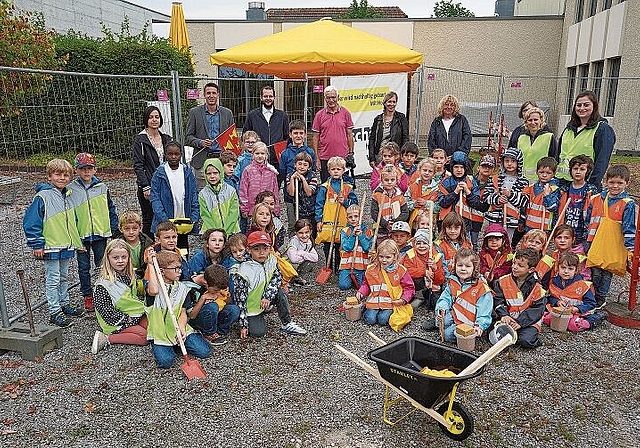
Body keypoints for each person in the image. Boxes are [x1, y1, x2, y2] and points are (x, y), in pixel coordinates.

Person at [23, 158, 84, 327]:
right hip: (51, 245)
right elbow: (31, 221)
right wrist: (37, 244)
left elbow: (72, 221)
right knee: (53, 278)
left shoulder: (68, 196)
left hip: (65, 244)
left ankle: (64, 304)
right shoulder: (43, 197)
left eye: (66, 175)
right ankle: (54, 311)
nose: (62, 178)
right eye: (58, 174)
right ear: (49, 177)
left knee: (64, 277)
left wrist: (77, 241)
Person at [230, 231, 308, 338]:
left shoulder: (272, 259)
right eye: (256, 249)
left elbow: (277, 278)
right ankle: (251, 318)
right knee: (258, 333)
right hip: (251, 308)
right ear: (249, 250)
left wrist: (267, 297)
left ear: (269, 249)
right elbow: (240, 300)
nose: (261, 253)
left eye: (265, 249)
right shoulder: (242, 271)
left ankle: (287, 323)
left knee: (280, 293)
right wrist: (243, 324)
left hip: (265, 299)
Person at [68, 152, 118, 312]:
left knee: (102, 264)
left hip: (100, 233)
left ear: (95, 169)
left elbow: (110, 207)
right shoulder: (70, 190)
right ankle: (87, 295)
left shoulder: (102, 187)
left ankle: (103, 291)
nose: (86, 172)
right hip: (81, 235)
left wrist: (113, 226)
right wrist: (73, 235)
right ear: (76, 170)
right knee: (83, 267)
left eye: (89, 168)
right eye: (82, 169)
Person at [145, 250, 211, 369]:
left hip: (179, 328)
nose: (180, 271)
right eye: (175, 268)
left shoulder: (182, 288)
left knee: (204, 352)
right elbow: (154, 291)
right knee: (166, 362)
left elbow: (183, 311)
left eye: (180, 267)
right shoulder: (153, 286)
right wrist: (150, 264)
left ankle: (177, 344)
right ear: (162, 271)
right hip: (161, 333)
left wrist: (181, 328)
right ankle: (166, 346)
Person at [585, 164, 636, 307]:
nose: (615, 186)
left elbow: (629, 228)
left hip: (614, 244)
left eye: (620, 183)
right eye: (612, 182)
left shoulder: (628, 204)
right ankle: (592, 295)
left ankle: (601, 297)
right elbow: (588, 219)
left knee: (607, 271)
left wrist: (631, 248)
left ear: (627, 183)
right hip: (595, 241)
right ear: (606, 181)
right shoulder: (597, 198)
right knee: (595, 269)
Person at [91, 239, 148, 354]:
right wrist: (127, 319)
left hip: (136, 314)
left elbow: (138, 297)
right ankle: (106, 338)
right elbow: (106, 312)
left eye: (124, 257)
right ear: (108, 259)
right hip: (118, 321)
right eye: (115, 258)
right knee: (144, 337)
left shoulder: (131, 275)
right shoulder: (103, 285)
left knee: (154, 329)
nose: (120, 261)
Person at [556, 90, 616, 190]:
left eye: (586, 105)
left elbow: (601, 161)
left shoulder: (602, 129)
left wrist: (591, 186)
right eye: (579, 105)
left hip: (583, 185)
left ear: (594, 106)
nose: (582, 108)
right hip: (561, 183)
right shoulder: (568, 128)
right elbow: (558, 155)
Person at [150, 141, 200, 253]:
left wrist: (194, 216)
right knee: (165, 248)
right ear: (165, 155)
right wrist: (163, 219)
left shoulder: (187, 172)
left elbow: (193, 195)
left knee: (182, 249)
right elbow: (155, 198)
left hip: (183, 220)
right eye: (170, 154)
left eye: (176, 154)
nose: (173, 157)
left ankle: (183, 268)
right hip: (166, 219)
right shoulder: (159, 173)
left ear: (181, 154)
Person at [435, 248, 493, 342]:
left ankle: (469, 334)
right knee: (439, 322)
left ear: (475, 268)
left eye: (467, 266)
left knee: (447, 336)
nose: (463, 269)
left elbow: (485, 311)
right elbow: (446, 297)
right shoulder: (453, 281)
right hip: (455, 314)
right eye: (460, 265)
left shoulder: (482, 288)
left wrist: (480, 325)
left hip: (470, 322)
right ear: (455, 266)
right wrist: (442, 308)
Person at [132, 105, 173, 237]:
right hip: (149, 186)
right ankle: (147, 251)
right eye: (150, 117)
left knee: (166, 218)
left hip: (165, 185)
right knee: (149, 220)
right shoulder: (140, 140)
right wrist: (145, 187)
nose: (154, 120)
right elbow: (138, 165)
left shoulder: (167, 139)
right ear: (146, 120)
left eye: (156, 117)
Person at [185, 82, 235, 189]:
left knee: (222, 192)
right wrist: (200, 142)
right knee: (203, 193)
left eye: (214, 93)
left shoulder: (227, 113)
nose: (211, 96)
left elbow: (232, 138)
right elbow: (188, 137)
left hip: (222, 160)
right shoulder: (195, 113)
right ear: (204, 95)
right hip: (202, 161)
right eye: (208, 93)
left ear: (218, 95)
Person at [493, 248, 545, 349]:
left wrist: (520, 323)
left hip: (528, 322)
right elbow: (498, 299)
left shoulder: (538, 288)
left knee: (525, 340)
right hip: (507, 319)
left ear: (531, 269)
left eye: (520, 266)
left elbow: (537, 310)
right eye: (514, 263)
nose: (514, 267)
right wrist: (504, 315)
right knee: (493, 335)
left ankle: (538, 341)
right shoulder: (502, 281)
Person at [355, 239, 415, 327]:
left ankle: (381, 314)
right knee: (370, 320)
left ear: (395, 256)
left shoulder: (401, 270)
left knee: (382, 320)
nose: (384, 260)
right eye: (381, 256)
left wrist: (403, 300)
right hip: (374, 301)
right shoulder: (371, 269)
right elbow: (366, 284)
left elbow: (409, 287)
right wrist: (361, 292)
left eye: (388, 257)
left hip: (390, 303)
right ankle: (367, 310)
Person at [542, 252, 603, 332]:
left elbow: (591, 303)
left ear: (576, 270)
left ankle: (594, 320)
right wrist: (557, 302)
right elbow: (551, 297)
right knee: (547, 319)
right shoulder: (554, 281)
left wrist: (577, 309)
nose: (566, 271)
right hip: (561, 311)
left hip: (577, 313)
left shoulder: (582, 285)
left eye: (570, 269)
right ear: (558, 267)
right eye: (563, 268)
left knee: (574, 326)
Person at [315, 156, 358, 269]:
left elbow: (355, 204)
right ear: (329, 171)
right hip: (328, 221)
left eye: (338, 169)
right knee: (328, 245)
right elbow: (319, 204)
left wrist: (346, 201)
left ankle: (339, 268)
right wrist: (318, 220)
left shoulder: (347, 187)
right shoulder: (324, 187)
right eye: (333, 169)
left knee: (341, 245)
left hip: (342, 221)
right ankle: (328, 266)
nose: (335, 171)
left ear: (343, 170)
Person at [547, 155, 598, 249]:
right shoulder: (564, 189)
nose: (578, 172)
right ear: (571, 170)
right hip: (565, 231)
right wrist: (547, 196)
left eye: (582, 169)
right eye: (575, 168)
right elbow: (552, 207)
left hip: (582, 231)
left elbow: (595, 213)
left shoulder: (591, 190)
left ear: (587, 171)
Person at [243, 85, 290, 182]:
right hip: (257, 160)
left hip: (276, 160)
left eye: (270, 96)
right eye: (265, 96)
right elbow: (245, 135)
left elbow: (287, 138)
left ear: (274, 97)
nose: (268, 99)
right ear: (261, 97)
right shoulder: (252, 115)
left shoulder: (283, 116)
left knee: (274, 188)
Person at [185, 264, 240, 345]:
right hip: (196, 319)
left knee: (234, 309)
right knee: (212, 306)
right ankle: (209, 334)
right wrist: (203, 299)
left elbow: (228, 302)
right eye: (215, 290)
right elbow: (191, 316)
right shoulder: (188, 288)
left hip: (213, 316)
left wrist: (226, 297)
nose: (217, 292)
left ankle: (219, 331)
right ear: (205, 283)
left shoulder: (215, 281)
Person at [483, 147, 529, 241]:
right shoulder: (495, 178)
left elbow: (524, 201)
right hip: (495, 217)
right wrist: (497, 199)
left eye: (513, 161)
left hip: (512, 219)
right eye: (506, 160)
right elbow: (486, 196)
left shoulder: (523, 181)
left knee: (508, 241)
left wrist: (510, 195)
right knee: (494, 240)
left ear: (518, 163)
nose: (509, 164)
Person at [437, 151, 485, 239]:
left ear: (466, 168)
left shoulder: (471, 181)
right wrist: (455, 192)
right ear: (451, 168)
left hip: (465, 221)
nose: (459, 170)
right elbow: (442, 202)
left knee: (465, 243)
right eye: (456, 167)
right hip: (448, 221)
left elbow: (476, 203)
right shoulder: (445, 182)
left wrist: (468, 192)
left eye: (461, 167)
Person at [312, 86, 354, 182]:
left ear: (338, 97)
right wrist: (317, 158)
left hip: (342, 157)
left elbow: (349, 135)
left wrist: (351, 153)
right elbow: (315, 137)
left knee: (343, 187)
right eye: (328, 97)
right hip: (325, 157)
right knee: (326, 186)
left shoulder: (345, 113)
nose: (331, 100)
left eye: (333, 97)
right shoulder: (319, 115)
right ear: (325, 98)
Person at [517, 156, 559, 247]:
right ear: (537, 172)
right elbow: (524, 207)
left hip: (543, 226)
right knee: (526, 246)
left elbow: (553, 208)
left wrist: (547, 196)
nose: (544, 175)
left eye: (548, 173)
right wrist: (521, 221)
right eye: (541, 172)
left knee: (539, 248)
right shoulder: (531, 188)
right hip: (529, 225)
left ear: (553, 174)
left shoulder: (554, 189)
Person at [402, 229, 445, 310]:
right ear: (414, 244)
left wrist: (435, 268)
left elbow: (440, 279)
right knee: (416, 278)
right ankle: (419, 297)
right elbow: (407, 271)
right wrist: (424, 272)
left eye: (425, 243)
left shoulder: (435, 256)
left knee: (434, 304)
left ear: (430, 244)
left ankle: (431, 296)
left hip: (433, 284)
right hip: (419, 285)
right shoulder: (410, 254)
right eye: (418, 243)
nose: (421, 246)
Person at [199, 157, 240, 236]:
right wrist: (215, 233)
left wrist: (226, 232)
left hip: (231, 231)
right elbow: (205, 215)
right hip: (211, 233)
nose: (212, 176)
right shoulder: (202, 194)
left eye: (215, 173)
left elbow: (234, 213)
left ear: (220, 173)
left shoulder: (231, 191)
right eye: (209, 173)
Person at [239, 142, 280, 220]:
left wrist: (276, 208)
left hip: (268, 210)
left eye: (262, 153)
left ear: (266, 155)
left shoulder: (271, 171)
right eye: (257, 153)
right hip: (252, 210)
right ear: (253, 154)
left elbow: (275, 191)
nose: (260, 156)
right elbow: (243, 191)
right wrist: (244, 208)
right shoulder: (248, 170)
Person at [516, 107, 558, 182]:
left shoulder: (549, 137)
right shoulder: (521, 138)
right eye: (530, 120)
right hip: (522, 180)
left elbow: (554, 159)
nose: (533, 122)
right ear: (526, 122)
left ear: (541, 121)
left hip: (541, 180)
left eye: (535, 120)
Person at [367, 91, 409, 167]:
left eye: (394, 102)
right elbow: (372, 139)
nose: (392, 104)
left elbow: (405, 138)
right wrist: (372, 158)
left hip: (395, 156)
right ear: (385, 103)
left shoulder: (401, 118)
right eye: (389, 102)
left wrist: (402, 155)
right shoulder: (378, 119)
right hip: (380, 155)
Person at [338, 204, 373, 290]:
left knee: (363, 286)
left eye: (356, 216)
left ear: (362, 217)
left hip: (361, 265)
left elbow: (367, 248)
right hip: (347, 265)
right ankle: (349, 278)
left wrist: (361, 236)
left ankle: (356, 278)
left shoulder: (368, 231)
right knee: (344, 286)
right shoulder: (345, 231)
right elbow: (347, 247)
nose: (353, 219)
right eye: (350, 217)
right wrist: (353, 235)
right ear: (347, 218)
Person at [370, 165, 409, 242]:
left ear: (396, 180)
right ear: (381, 180)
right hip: (381, 228)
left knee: (395, 247)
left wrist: (396, 222)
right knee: (382, 247)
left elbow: (405, 212)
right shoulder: (377, 195)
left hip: (397, 229)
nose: (389, 182)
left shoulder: (400, 195)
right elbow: (374, 213)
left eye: (392, 180)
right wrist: (385, 223)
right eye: (386, 180)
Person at [284, 152, 319, 234]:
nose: (302, 167)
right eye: (299, 164)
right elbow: (291, 193)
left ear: (309, 167)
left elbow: (309, 192)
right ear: (295, 164)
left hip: (311, 209)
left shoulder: (313, 176)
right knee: (298, 228)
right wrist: (292, 179)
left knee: (311, 231)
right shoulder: (290, 176)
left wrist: (303, 179)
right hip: (298, 209)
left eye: (305, 165)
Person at [470, 154, 496, 251]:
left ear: (493, 169)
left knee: (474, 243)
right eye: (484, 166)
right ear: (478, 167)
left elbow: (485, 206)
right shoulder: (470, 180)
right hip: (465, 215)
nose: (486, 169)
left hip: (478, 218)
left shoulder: (492, 185)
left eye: (489, 167)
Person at [117, 210, 154, 279]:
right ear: (121, 229)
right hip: (125, 274)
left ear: (140, 228)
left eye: (134, 229)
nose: (131, 232)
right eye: (127, 229)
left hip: (144, 274)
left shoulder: (148, 243)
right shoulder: (117, 245)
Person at [434, 212, 472, 276]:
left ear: (461, 228)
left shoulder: (467, 243)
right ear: (444, 228)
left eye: (456, 228)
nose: (453, 231)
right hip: (447, 277)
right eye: (449, 228)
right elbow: (440, 266)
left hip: (465, 276)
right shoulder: (439, 244)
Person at [405, 157, 439, 229]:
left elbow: (439, 207)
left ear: (434, 173)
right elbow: (405, 203)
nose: (427, 173)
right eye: (424, 170)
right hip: (415, 223)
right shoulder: (412, 187)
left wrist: (426, 203)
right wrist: (413, 204)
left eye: (430, 171)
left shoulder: (437, 189)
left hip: (430, 224)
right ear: (419, 170)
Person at [285, 219, 319, 286]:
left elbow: (315, 258)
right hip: (287, 266)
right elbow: (293, 259)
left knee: (310, 262)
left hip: (297, 263)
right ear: (295, 232)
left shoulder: (309, 242)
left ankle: (296, 279)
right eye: (301, 233)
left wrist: (302, 253)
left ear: (311, 232)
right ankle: (287, 280)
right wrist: (306, 256)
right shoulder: (294, 241)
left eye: (306, 232)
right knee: (296, 263)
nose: (304, 235)